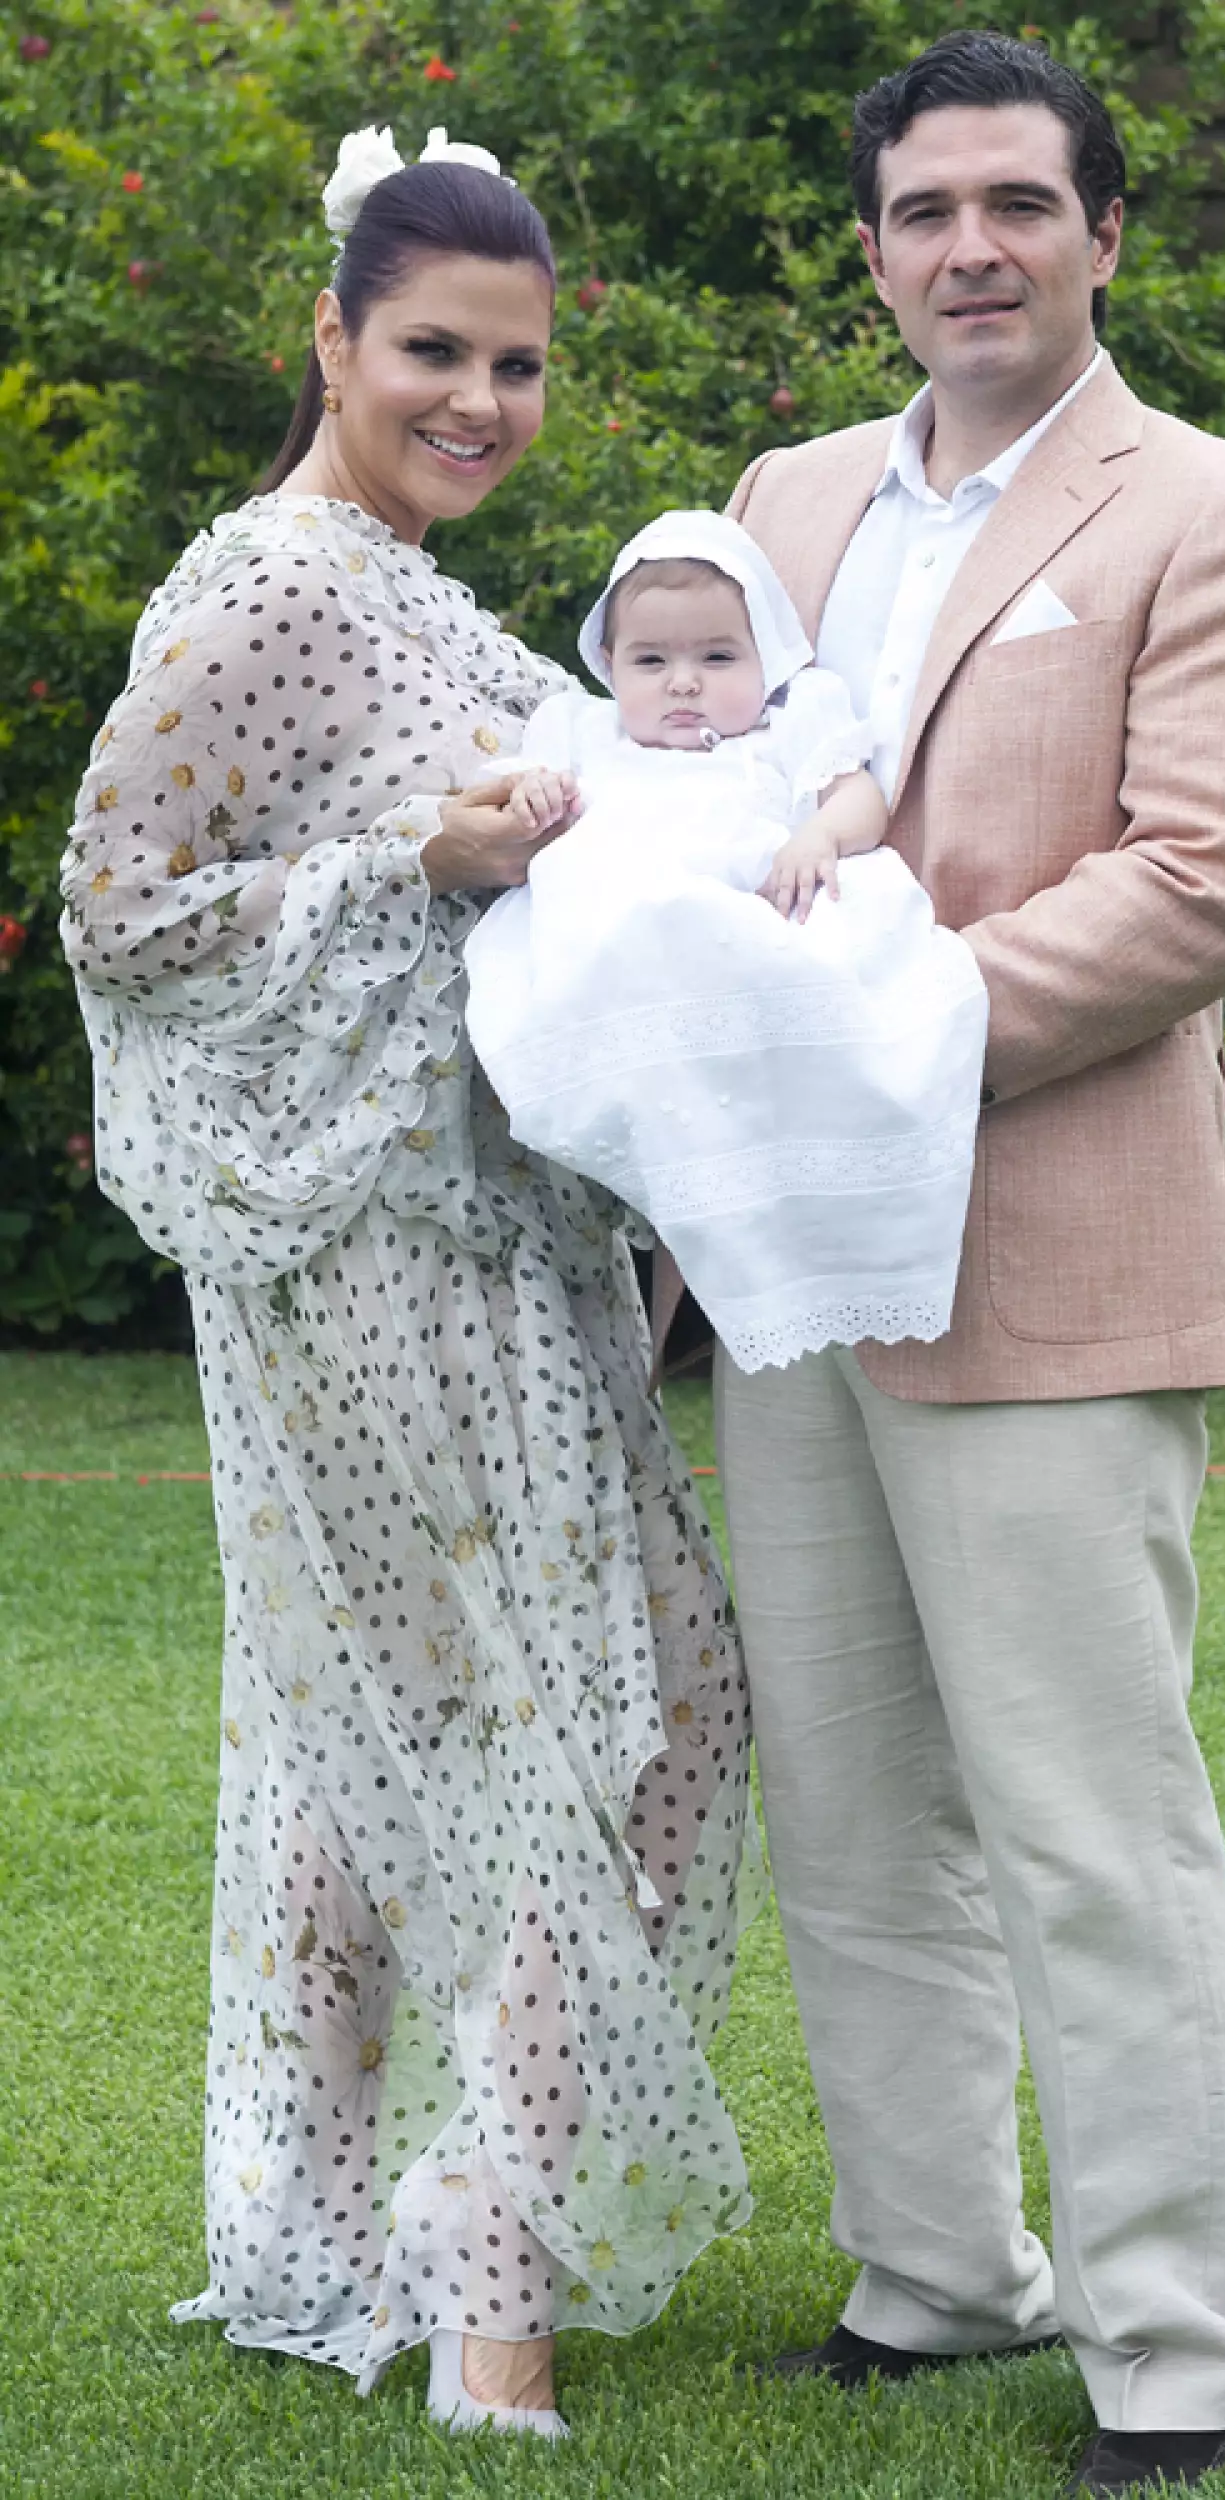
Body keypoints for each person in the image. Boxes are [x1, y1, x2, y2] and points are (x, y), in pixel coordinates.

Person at [59, 125, 761, 2441]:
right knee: (610, 1724)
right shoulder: (258, 586)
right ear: (331, 344)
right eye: (434, 354)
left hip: (501, 1245)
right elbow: (117, 916)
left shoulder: (424, 596)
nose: (479, 400)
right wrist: (402, 867)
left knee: (416, 1749)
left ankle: (341, 2229)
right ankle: (488, 2286)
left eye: (520, 366)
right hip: (358, 1262)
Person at [697, 31, 1225, 2498]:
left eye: (1014, 206)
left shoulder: (1219, 506)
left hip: (1043, 1250)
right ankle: (939, 2273)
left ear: (1098, 237)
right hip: (788, 1268)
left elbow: (1199, 883)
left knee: (1086, 1819)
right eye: (922, 210)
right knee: (851, 1812)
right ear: (868, 251)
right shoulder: (777, 497)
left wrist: (873, 1026)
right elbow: (705, 786)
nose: (967, 246)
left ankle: (1175, 2347)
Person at [462, 507, 990, 1375]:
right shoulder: (582, 734)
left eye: (716, 658)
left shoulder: (788, 726)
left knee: (807, 967)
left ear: (766, 659)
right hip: (625, 950)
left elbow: (858, 797)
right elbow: (514, 799)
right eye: (651, 661)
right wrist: (529, 802)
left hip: (747, 927)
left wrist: (818, 837)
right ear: (608, 665)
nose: (682, 683)